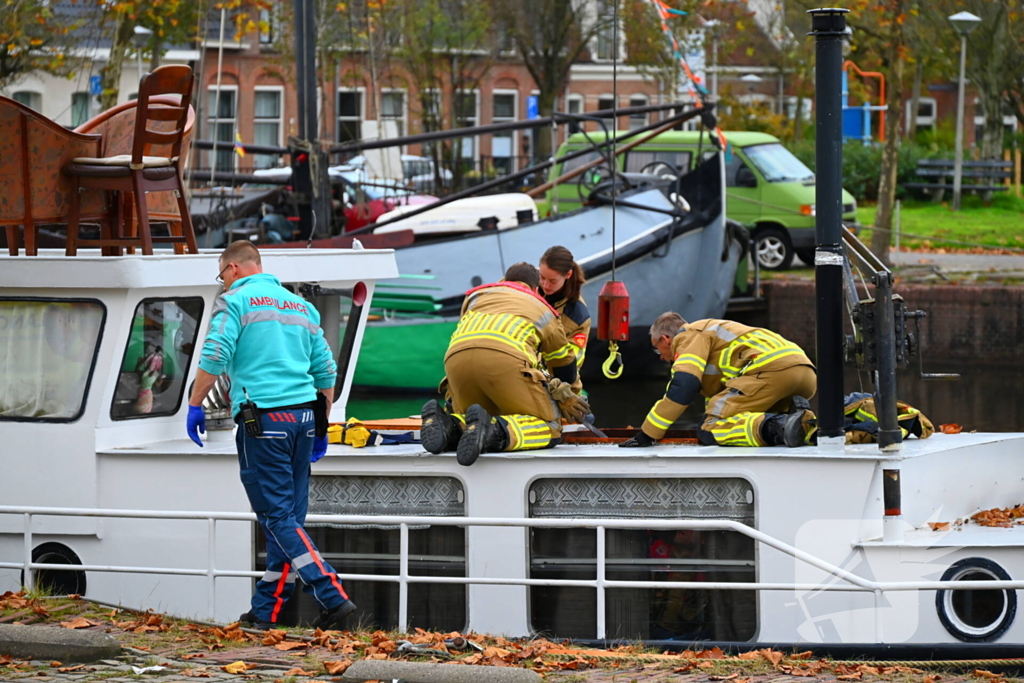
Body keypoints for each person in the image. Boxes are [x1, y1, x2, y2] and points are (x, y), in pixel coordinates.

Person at [185, 240, 356, 630]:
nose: (223, 283)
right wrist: (322, 423)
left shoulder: (235, 301)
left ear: (233, 269)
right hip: (304, 419)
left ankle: (332, 595)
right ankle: (266, 612)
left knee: (277, 517)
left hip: (263, 420)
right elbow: (325, 370)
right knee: (288, 520)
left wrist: (195, 404)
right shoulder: (302, 307)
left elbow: (215, 353)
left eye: (221, 275)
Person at [420, 262, 583, 466]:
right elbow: (563, 361)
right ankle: (492, 432)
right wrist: (570, 395)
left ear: (505, 280)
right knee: (550, 427)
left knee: (478, 416)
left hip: (455, 361)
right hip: (506, 361)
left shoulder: (475, 297)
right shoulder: (543, 308)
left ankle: (449, 424)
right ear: (535, 289)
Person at [621, 312, 816, 448]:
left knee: (710, 428)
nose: (662, 358)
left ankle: (779, 426)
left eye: (657, 350)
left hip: (768, 370)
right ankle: (807, 425)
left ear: (665, 339)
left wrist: (648, 433)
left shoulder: (688, 335)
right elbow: (720, 397)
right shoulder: (716, 335)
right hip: (805, 373)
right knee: (739, 417)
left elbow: (684, 386)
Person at [539, 246, 591, 394]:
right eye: (542, 277)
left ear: (568, 275)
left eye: (552, 281)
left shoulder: (577, 316)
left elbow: (573, 360)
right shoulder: (527, 284)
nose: (545, 285)